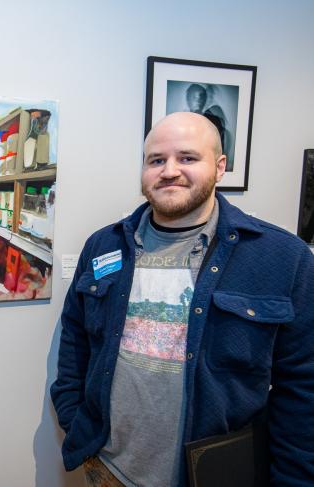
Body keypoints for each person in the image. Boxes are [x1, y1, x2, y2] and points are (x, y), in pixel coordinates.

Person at [50, 112, 314, 486]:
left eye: (187, 158)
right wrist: (72, 414)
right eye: (156, 160)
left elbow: (303, 388)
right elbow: (76, 336)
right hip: (108, 468)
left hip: (215, 476)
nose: (169, 170)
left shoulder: (283, 259)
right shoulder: (104, 245)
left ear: (220, 167)